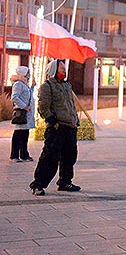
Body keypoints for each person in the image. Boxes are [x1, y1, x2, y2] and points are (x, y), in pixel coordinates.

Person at [29, 59, 81, 196]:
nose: (64, 71)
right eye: (62, 69)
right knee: (50, 157)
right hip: (57, 128)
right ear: (54, 71)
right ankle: (38, 184)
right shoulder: (47, 86)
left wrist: (75, 120)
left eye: (64, 69)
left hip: (70, 127)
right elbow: (43, 106)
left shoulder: (66, 85)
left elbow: (71, 105)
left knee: (70, 156)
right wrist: (52, 121)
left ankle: (65, 182)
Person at [10, 66, 36, 162]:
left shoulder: (24, 84)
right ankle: (14, 155)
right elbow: (15, 97)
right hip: (21, 113)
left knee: (25, 134)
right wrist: (24, 106)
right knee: (18, 134)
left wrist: (32, 87)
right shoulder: (18, 84)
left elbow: (28, 96)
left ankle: (24, 154)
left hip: (27, 113)